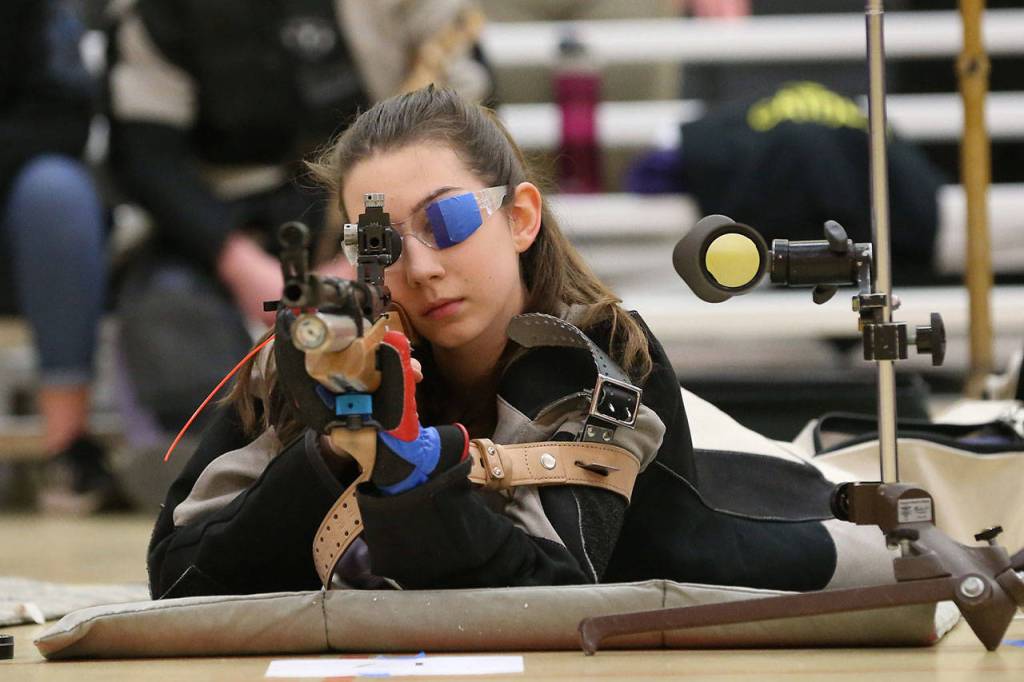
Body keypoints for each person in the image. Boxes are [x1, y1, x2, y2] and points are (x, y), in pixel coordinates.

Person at [148, 86, 891, 599]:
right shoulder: (338, 343)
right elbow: (175, 576)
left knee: (880, 537)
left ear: (520, 217)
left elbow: (548, 587)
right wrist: (332, 450)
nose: (424, 266)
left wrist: (402, 468)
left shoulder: (598, 356)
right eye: (380, 242)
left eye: (447, 222)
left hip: (732, 519)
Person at [105, 0, 492, 431]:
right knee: (171, 309)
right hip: (220, 225)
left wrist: (367, 257)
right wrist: (240, 265)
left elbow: (472, 116)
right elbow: (146, 154)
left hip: (386, 213)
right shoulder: (158, 12)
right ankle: (219, 463)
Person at [0, 0, 124, 512]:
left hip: (22, 211)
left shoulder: (36, 16)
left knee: (59, 194)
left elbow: (64, 123)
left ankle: (66, 449)